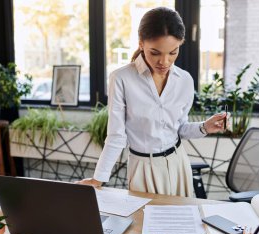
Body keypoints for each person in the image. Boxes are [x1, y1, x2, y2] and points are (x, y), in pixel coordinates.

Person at [76, 7, 228, 197]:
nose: (164, 61)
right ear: (141, 43)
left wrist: (205, 127)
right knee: (143, 225)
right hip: (142, 169)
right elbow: (116, 136)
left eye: (173, 52)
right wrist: (98, 178)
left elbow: (178, 128)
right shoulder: (121, 78)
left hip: (177, 163)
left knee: (181, 224)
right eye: (155, 53)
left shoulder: (185, 80)